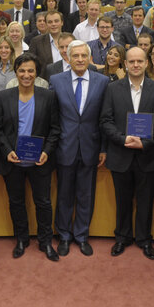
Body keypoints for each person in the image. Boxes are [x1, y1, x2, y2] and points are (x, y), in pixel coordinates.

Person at [100, 47, 154, 260]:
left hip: (148, 155)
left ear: (147, 63)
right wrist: (123, 139)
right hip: (121, 153)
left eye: (140, 61)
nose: (136, 65)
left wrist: (145, 142)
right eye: (132, 61)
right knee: (122, 200)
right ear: (125, 64)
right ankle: (122, 237)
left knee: (146, 201)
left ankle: (144, 239)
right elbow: (106, 120)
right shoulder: (112, 88)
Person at [0, 53, 60, 261]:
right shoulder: (3, 97)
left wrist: (46, 151)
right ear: (16, 72)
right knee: (16, 202)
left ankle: (45, 241)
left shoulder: (48, 96)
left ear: (36, 72)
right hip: (13, 161)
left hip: (39, 161)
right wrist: (7, 151)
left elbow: (55, 129)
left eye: (30, 70)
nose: (26, 74)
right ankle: (22, 239)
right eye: (22, 70)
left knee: (43, 203)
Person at [49, 40, 110, 257]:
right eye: (75, 56)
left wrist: (103, 148)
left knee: (86, 195)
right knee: (64, 195)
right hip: (64, 147)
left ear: (90, 57)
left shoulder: (103, 82)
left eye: (84, 56)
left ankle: (82, 236)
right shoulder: (56, 81)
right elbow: (51, 118)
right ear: (67, 57)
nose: (80, 60)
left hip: (91, 147)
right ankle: (64, 236)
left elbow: (105, 118)